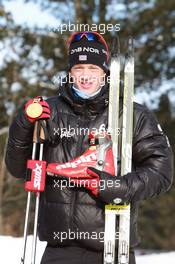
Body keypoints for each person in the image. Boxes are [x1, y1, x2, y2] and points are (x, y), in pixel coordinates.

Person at [5, 31, 174, 264]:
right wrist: (22, 125)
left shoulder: (134, 115)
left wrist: (118, 187)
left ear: (105, 72)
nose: (85, 76)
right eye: (78, 69)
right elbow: (18, 168)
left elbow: (161, 173)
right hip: (59, 249)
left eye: (93, 69)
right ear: (70, 72)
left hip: (114, 247)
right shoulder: (49, 112)